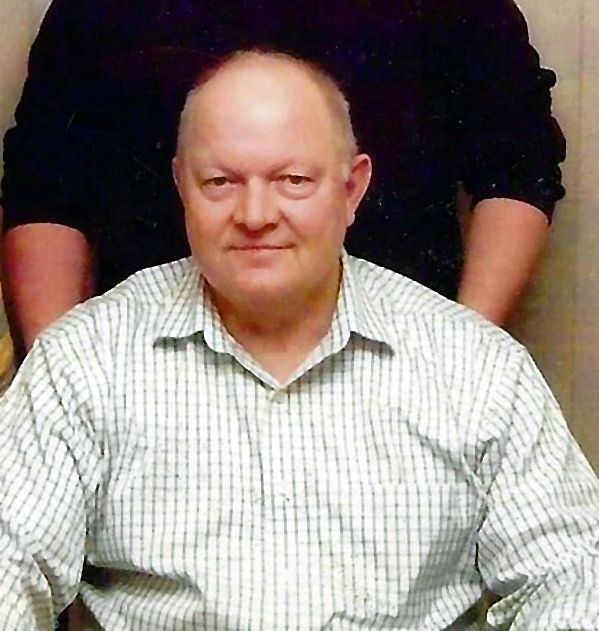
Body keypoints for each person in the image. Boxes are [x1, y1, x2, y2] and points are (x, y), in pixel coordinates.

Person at [0, 51, 597, 631]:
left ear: (352, 188)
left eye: (293, 180)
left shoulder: (475, 366)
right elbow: (10, 559)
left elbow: (570, 573)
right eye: (220, 182)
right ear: (181, 185)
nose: (256, 214)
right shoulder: (84, 361)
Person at [1, 0, 566, 354]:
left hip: (392, 358)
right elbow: (46, 189)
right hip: (153, 364)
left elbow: (518, 165)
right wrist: (61, 376)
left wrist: (464, 352)